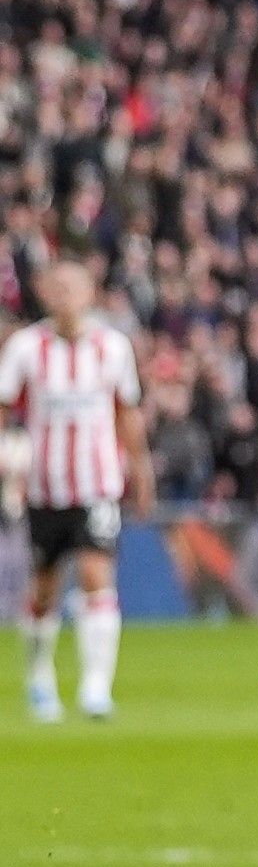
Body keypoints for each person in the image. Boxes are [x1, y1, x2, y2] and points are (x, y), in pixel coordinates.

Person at [2, 259, 148, 723]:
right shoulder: (27, 347)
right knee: (44, 589)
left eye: (74, 287)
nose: (66, 296)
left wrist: (141, 470)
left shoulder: (113, 347)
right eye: (57, 287)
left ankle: (95, 687)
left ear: (90, 293)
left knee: (94, 574)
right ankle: (41, 678)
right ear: (45, 293)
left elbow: (127, 412)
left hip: (98, 484)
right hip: (45, 486)